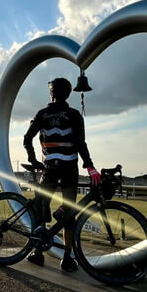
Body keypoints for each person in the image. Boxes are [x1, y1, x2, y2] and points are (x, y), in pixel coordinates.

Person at [23, 77, 100, 272]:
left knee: (41, 207)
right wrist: (89, 166)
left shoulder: (42, 114)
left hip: (49, 167)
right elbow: (81, 143)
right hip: (69, 167)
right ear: (68, 93)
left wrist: (33, 160)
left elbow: (27, 138)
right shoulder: (74, 115)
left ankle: (38, 252)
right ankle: (67, 258)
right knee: (70, 211)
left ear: (51, 93)